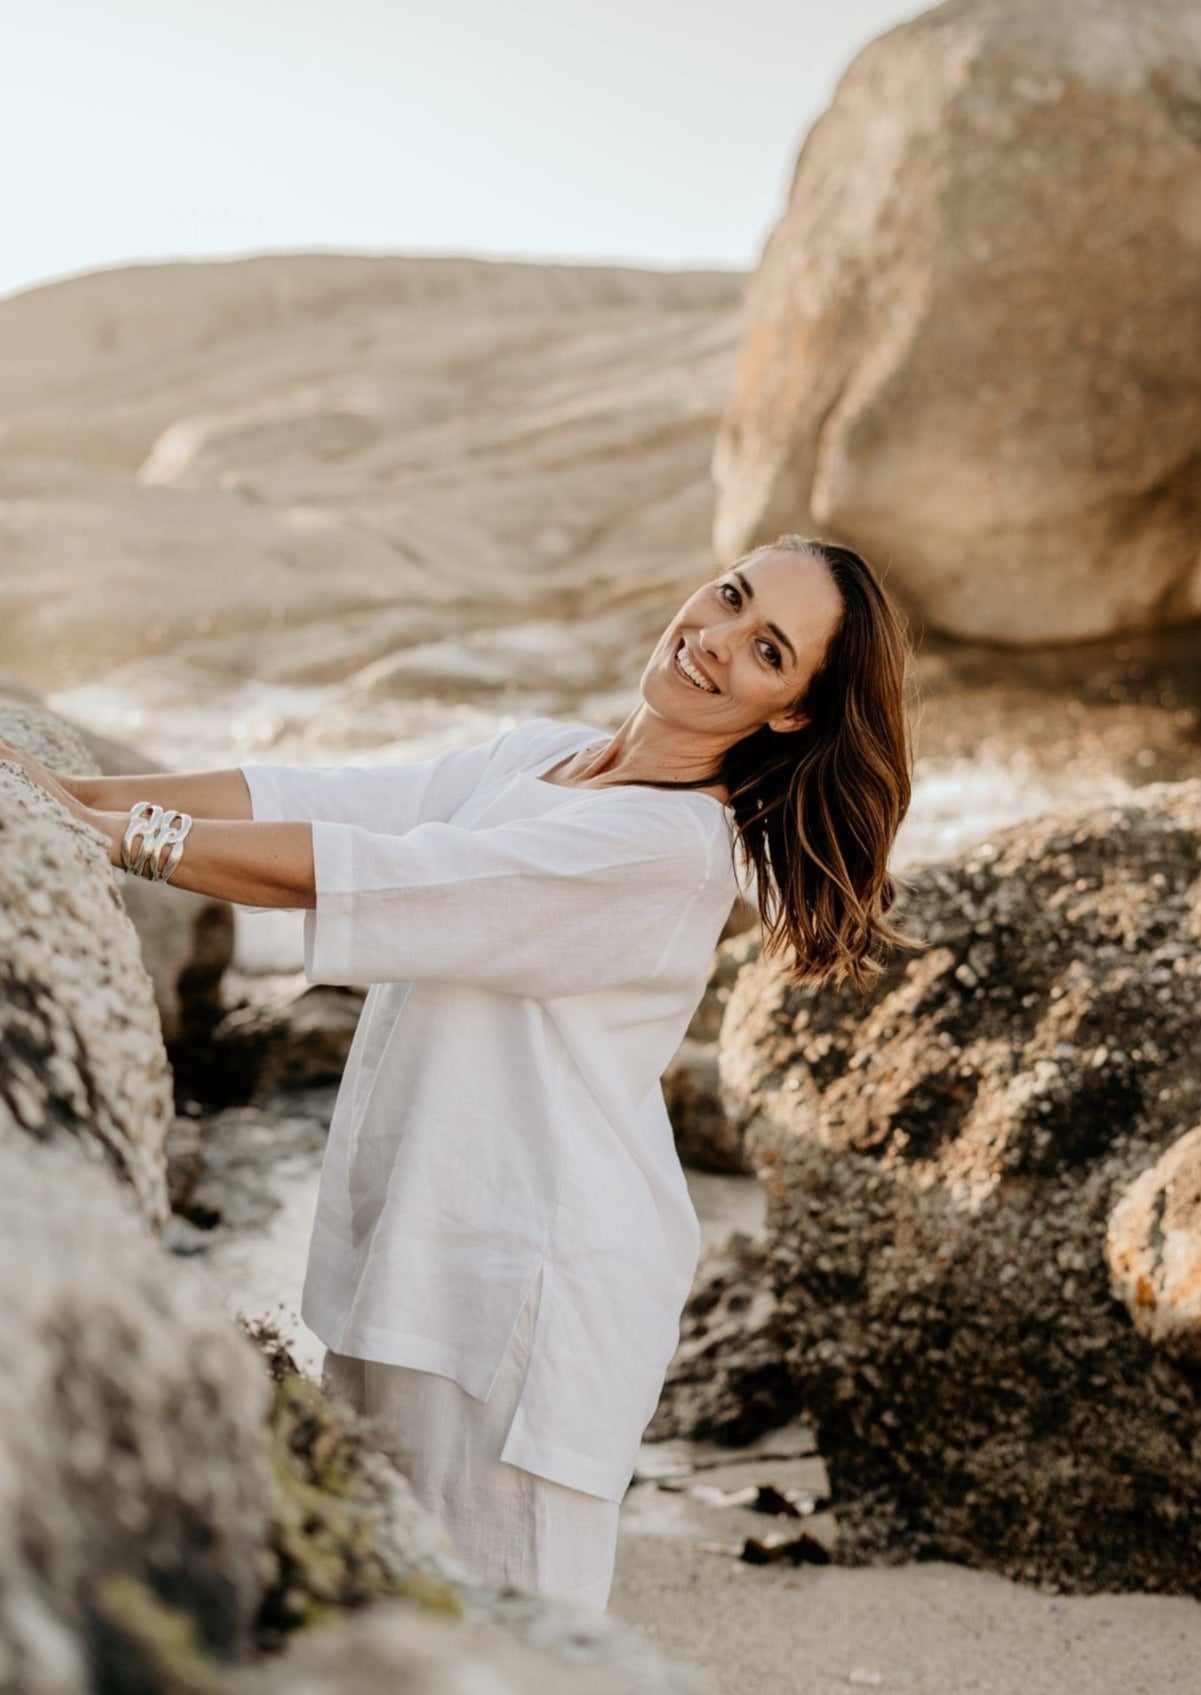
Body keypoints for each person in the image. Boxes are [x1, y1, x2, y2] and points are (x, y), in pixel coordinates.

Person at [1, 534, 922, 1614]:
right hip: (416, 1244)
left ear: (793, 713)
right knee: (383, 1612)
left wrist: (122, 838)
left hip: (518, 1306)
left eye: (767, 650)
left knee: (502, 1645)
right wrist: (77, 788)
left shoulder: (666, 849)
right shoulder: (550, 755)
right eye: (729, 596)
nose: (714, 639)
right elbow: (335, 798)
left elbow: (387, 875)